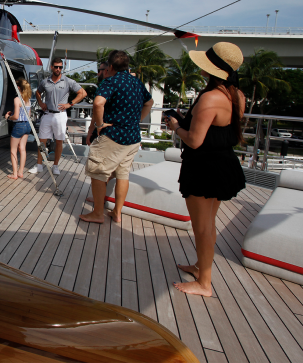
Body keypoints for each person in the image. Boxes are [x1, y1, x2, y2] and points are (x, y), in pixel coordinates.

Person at [165, 42, 246, 297]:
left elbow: (194, 140)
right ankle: (201, 267)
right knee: (209, 223)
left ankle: (205, 284)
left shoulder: (211, 97)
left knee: (202, 227)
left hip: (204, 168)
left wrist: (176, 127)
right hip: (223, 164)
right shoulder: (237, 95)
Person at [80, 50, 153, 224]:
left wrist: (98, 125)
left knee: (98, 172)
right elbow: (149, 102)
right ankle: (117, 212)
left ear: (110, 67)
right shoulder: (137, 82)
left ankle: (98, 213)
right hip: (133, 137)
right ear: (126, 66)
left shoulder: (110, 81)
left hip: (113, 136)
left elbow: (98, 103)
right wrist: (137, 120)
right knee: (122, 174)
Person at [28, 57, 87, 175]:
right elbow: (38, 92)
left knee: (59, 141)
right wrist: (40, 103)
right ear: (51, 67)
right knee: (42, 141)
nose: (58, 69)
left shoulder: (68, 81)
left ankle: (55, 166)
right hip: (47, 114)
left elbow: (83, 93)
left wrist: (69, 104)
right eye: (56, 67)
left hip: (60, 115)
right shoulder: (45, 81)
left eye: (60, 67)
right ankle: (39, 165)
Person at [5, 78, 32, 180]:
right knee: (22, 149)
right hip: (27, 125)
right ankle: (20, 172)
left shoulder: (17, 99)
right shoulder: (27, 99)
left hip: (19, 126)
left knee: (13, 149)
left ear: (19, 87)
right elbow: (28, 115)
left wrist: (8, 117)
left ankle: (14, 174)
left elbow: (16, 117)